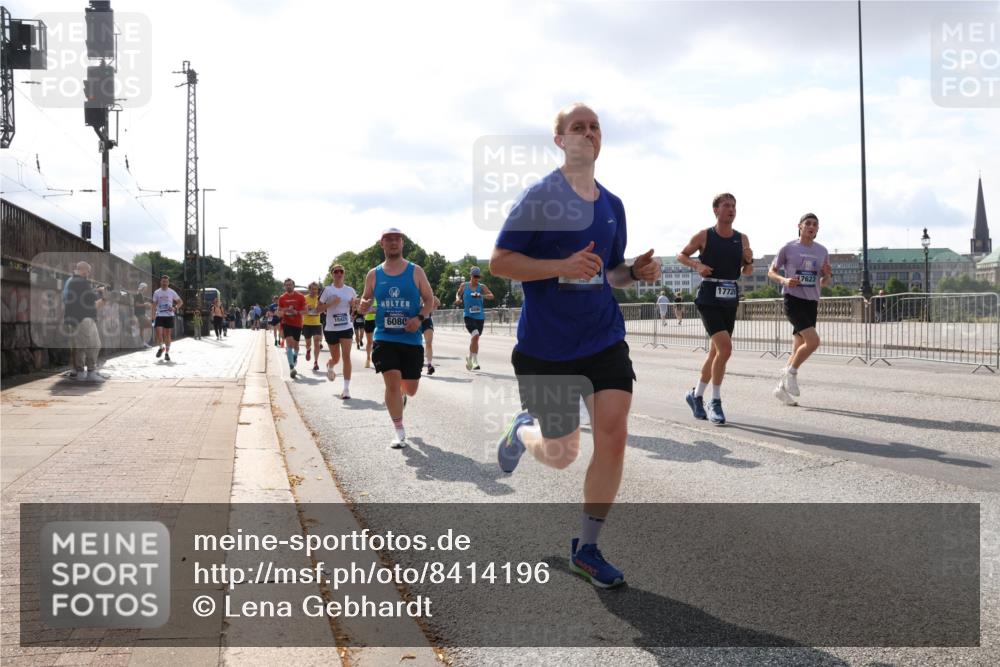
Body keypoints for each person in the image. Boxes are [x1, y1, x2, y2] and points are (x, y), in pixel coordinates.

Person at [490, 102, 661, 589]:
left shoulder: (612, 205)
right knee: (561, 453)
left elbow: (610, 273)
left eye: (594, 127)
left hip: (603, 338)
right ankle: (520, 432)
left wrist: (636, 273)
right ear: (560, 140)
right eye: (577, 127)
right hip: (546, 346)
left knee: (613, 434)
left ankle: (587, 548)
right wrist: (560, 266)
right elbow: (501, 261)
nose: (587, 134)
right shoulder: (539, 198)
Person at [677, 193, 754, 425]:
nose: (731, 209)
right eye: (726, 206)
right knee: (726, 349)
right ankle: (715, 401)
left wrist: (749, 261)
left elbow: (747, 273)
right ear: (716, 210)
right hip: (709, 297)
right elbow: (681, 255)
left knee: (716, 353)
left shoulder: (742, 239)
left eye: (734, 206)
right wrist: (696, 264)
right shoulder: (704, 235)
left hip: (730, 297)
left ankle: (696, 395)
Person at [358, 228, 434, 449]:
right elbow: (366, 298)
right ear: (382, 244)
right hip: (384, 337)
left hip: (411, 338)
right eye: (388, 239)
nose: (393, 243)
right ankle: (399, 430)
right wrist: (364, 304)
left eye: (397, 240)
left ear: (402, 244)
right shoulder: (374, 274)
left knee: (410, 388)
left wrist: (419, 318)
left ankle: (403, 394)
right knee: (391, 379)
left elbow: (429, 300)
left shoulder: (415, 271)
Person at [768, 213, 832, 405]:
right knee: (813, 342)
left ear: (817, 230)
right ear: (800, 226)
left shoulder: (822, 251)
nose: (811, 227)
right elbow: (771, 271)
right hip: (793, 299)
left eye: (815, 225)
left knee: (797, 348)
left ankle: (780, 388)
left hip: (811, 301)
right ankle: (791, 372)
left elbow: (824, 282)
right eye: (808, 224)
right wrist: (785, 280)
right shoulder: (788, 248)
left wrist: (827, 276)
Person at [62, 261, 105, 381]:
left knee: (80, 347)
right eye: (88, 271)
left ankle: (79, 372)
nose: (89, 274)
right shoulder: (80, 281)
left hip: (75, 319)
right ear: (83, 270)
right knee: (94, 345)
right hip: (84, 319)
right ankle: (90, 373)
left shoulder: (72, 281)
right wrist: (101, 292)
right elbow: (91, 298)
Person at [319, 266, 358, 398]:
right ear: (332, 274)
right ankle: (330, 365)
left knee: (346, 357)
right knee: (336, 358)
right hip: (331, 329)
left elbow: (356, 309)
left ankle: (346, 389)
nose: (339, 273)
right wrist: (331, 303)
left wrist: (354, 305)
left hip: (346, 327)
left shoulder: (350, 290)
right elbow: (318, 309)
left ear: (344, 274)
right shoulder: (327, 290)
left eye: (341, 271)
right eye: (336, 271)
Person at [454, 267, 494, 370]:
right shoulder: (464, 286)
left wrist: (481, 295)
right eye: (475, 276)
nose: (477, 278)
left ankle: (470, 358)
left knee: (475, 338)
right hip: (468, 315)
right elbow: (458, 294)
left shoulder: (481, 287)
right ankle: (475, 361)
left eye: (478, 277)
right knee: (475, 335)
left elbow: (491, 295)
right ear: (471, 276)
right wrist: (458, 299)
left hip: (480, 316)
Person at [278, 279, 306, 378]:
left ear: (293, 286)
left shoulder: (300, 296)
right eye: (286, 285)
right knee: (289, 343)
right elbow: (279, 312)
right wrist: (285, 311)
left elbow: (305, 310)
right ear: (284, 286)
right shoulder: (282, 298)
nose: (288, 286)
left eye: (290, 285)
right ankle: (291, 368)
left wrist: (296, 312)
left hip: (297, 324)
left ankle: (294, 357)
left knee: (296, 346)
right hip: (286, 323)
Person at [151, 275, 183, 362]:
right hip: (159, 315)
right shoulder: (157, 292)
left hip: (169, 316)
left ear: (168, 283)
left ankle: (167, 353)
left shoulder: (172, 292)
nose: (164, 283)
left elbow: (180, 302)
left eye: (166, 282)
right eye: (163, 281)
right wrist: (153, 315)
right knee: (158, 334)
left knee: (167, 335)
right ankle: (161, 348)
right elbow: (154, 305)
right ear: (160, 282)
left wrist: (175, 308)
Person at [302, 282, 324, 372]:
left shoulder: (320, 299)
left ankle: (316, 362)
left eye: (316, 289)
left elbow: (322, 309)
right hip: (307, 324)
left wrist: (319, 310)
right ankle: (308, 350)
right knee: (308, 343)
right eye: (312, 289)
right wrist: (306, 308)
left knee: (317, 342)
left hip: (316, 324)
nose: (314, 291)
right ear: (309, 289)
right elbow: (301, 310)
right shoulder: (304, 298)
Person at [422, 295, 442, 375]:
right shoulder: (412, 293)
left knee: (429, 343)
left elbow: (438, 303)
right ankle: (417, 362)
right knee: (416, 344)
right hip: (414, 320)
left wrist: (430, 297)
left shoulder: (426, 293)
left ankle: (429, 365)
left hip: (426, 321)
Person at [133, 282, 153, 347]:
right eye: (146, 288)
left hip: (141, 313)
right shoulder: (138, 294)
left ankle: (143, 342)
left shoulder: (140, 294)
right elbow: (136, 304)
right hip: (139, 314)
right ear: (143, 288)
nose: (146, 289)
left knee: (142, 328)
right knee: (148, 325)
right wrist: (145, 304)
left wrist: (146, 305)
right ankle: (142, 341)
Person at [362, 297, 376, 368]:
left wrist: (373, 310)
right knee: (370, 341)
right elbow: (363, 311)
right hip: (369, 321)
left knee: (378, 341)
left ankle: (376, 358)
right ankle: (368, 358)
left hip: (378, 321)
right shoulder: (367, 299)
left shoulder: (380, 297)